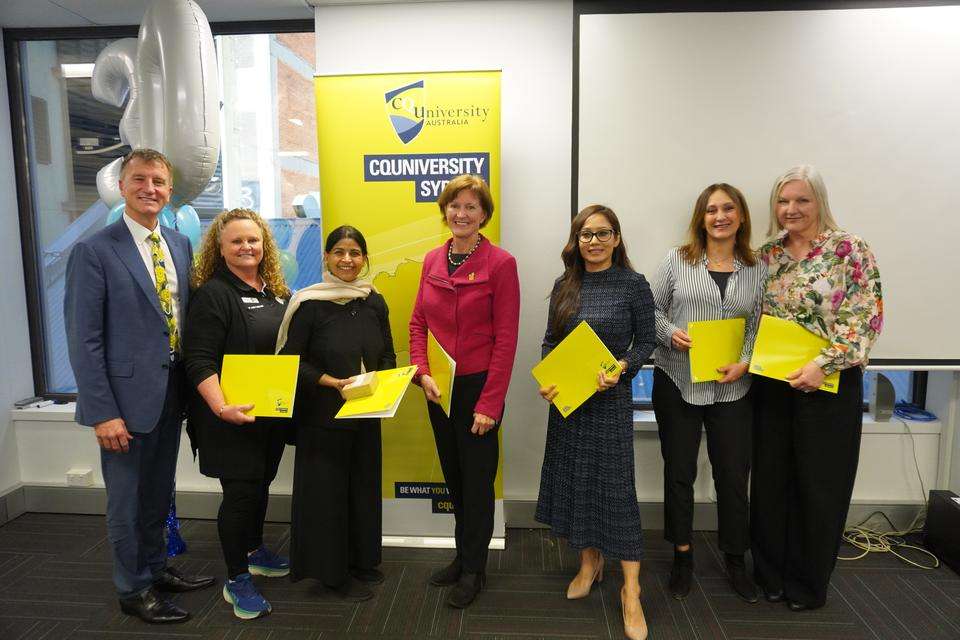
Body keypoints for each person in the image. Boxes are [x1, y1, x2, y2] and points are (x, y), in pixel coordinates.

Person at [63, 148, 214, 624]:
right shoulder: (94, 250)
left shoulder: (178, 243)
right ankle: (132, 590)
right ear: (122, 186)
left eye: (159, 182)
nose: (151, 189)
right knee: (126, 502)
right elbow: (83, 339)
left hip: (171, 394)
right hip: (123, 405)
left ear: (170, 191)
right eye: (140, 180)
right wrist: (102, 411)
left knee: (157, 493)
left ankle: (155, 568)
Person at [752, 165, 883, 611]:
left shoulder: (849, 250)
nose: (791, 209)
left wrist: (822, 365)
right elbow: (757, 318)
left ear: (819, 202)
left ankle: (807, 585)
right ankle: (769, 575)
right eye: (783, 201)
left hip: (829, 385)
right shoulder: (768, 254)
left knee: (818, 486)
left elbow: (866, 318)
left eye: (801, 200)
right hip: (773, 385)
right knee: (770, 483)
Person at [536, 204, 655, 640]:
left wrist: (622, 366)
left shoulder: (633, 285)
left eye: (603, 233)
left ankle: (631, 590)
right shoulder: (565, 284)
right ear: (576, 240)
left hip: (610, 402)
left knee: (616, 491)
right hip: (570, 405)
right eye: (586, 234)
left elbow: (647, 340)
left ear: (617, 239)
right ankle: (589, 564)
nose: (594, 241)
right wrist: (547, 380)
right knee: (578, 484)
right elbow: (551, 341)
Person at [651, 184, 766, 603]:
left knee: (733, 476)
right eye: (711, 210)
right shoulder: (676, 260)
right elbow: (651, 310)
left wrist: (747, 362)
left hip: (734, 387)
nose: (720, 216)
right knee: (679, 473)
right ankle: (682, 556)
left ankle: (735, 559)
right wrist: (669, 334)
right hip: (679, 381)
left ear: (740, 216)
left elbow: (758, 325)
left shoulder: (758, 267)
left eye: (728, 208)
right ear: (701, 218)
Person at [409, 175, 520, 609]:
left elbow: (506, 340)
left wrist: (490, 405)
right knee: (454, 478)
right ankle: (462, 556)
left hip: (478, 389)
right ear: (445, 211)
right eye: (455, 206)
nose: (462, 214)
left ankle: (475, 569)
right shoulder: (433, 260)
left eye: (472, 207)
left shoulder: (501, 263)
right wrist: (422, 373)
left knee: (477, 484)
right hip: (440, 389)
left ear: (484, 215)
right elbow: (418, 324)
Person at [182, 208, 292, 620]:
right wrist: (220, 406)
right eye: (237, 241)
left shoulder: (276, 291)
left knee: (261, 483)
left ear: (264, 244)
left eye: (253, 240)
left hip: (269, 414)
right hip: (227, 415)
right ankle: (237, 577)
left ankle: (255, 548)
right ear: (220, 248)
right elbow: (198, 360)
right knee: (241, 493)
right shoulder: (214, 293)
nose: (247, 247)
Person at [278, 225, 396, 602]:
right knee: (327, 497)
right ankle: (332, 576)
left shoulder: (374, 300)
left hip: (366, 413)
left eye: (355, 253)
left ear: (364, 258)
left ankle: (362, 561)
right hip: (323, 418)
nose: (348, 260)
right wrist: (329, 381)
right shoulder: (309, 304)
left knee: (362, 489)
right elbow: (290, 362)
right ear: (327, 257)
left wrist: (387, 380)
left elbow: (388, 352)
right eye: (340, 252)